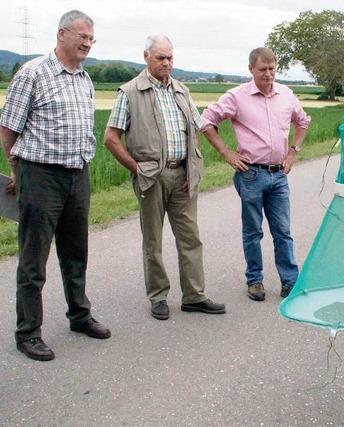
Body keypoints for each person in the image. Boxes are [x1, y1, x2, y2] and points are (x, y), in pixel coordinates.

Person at [0, 10, 111, 362]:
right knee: (34, 258)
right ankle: (28, 332)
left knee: (76, 253)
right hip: (41, 175)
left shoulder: (85, 79)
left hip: (78, 174)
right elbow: (8, 129)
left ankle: (79, 316)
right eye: (82, 36)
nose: (87, 43)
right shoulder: (32, 74)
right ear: (62, 34)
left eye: (92, 39)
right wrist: (17, 169)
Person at [104, 35, 225, 320]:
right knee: (153, 241)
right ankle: (158, 296)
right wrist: (137, 169)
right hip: (151, 177)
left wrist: (203, 161)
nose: (166, 62)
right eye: (160, 57)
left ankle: (194, 296)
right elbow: (111, 138)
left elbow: (201, 125)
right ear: (146, 56)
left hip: (183, 176)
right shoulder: (130, 92)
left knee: (191, 238)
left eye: (170, 57)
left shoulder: (181, 90)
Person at [200, 47, 311, 301]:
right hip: (251, 174)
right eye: (263, 69)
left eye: (272, 68)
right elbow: (206, 121)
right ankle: (255, 280)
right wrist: (227, 153)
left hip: (279, 174)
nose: (269, 74)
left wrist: (293, 152)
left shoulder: (286, 94)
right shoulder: (237, 97)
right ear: (251, 69)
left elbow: (303, 122)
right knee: (253, 231)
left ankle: (290, 281)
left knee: (283, 230)